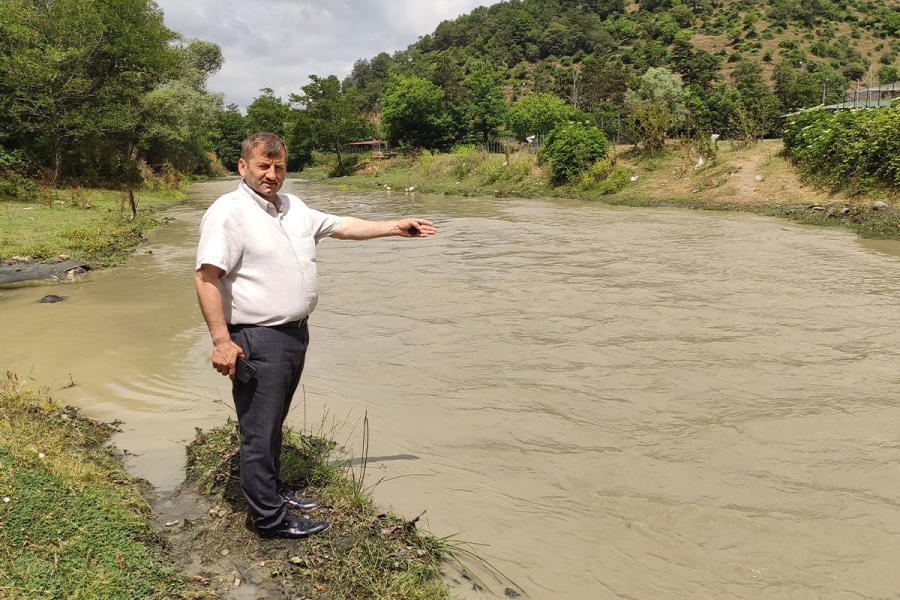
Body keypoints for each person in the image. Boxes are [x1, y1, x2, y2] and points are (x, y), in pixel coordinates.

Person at [194, 132, 436, 539]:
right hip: (257, 337)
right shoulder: (228, 212)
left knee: (273, 425)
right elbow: (206, 278)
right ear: (242, 167)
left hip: (294, 335)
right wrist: (222, 341)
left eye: (279, 167)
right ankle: (268, 520)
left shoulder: (292, 207)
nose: (272, 175)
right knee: (258, 430)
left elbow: (341, 225)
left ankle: (272, 493)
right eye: (263, 167)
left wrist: (394, 226)